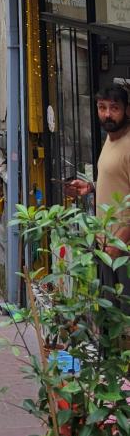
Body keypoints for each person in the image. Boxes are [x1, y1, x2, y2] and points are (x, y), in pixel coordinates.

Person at [65, 83, 130, 310]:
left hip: (122, 251)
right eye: (102, 108)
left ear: (127, 110)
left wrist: (119, 244)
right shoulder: (111, 139)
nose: (107, 114)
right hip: (107, 246)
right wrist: (91, 187)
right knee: (109, 315)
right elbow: (118, 180)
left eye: (114, 108)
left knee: (123, 317)